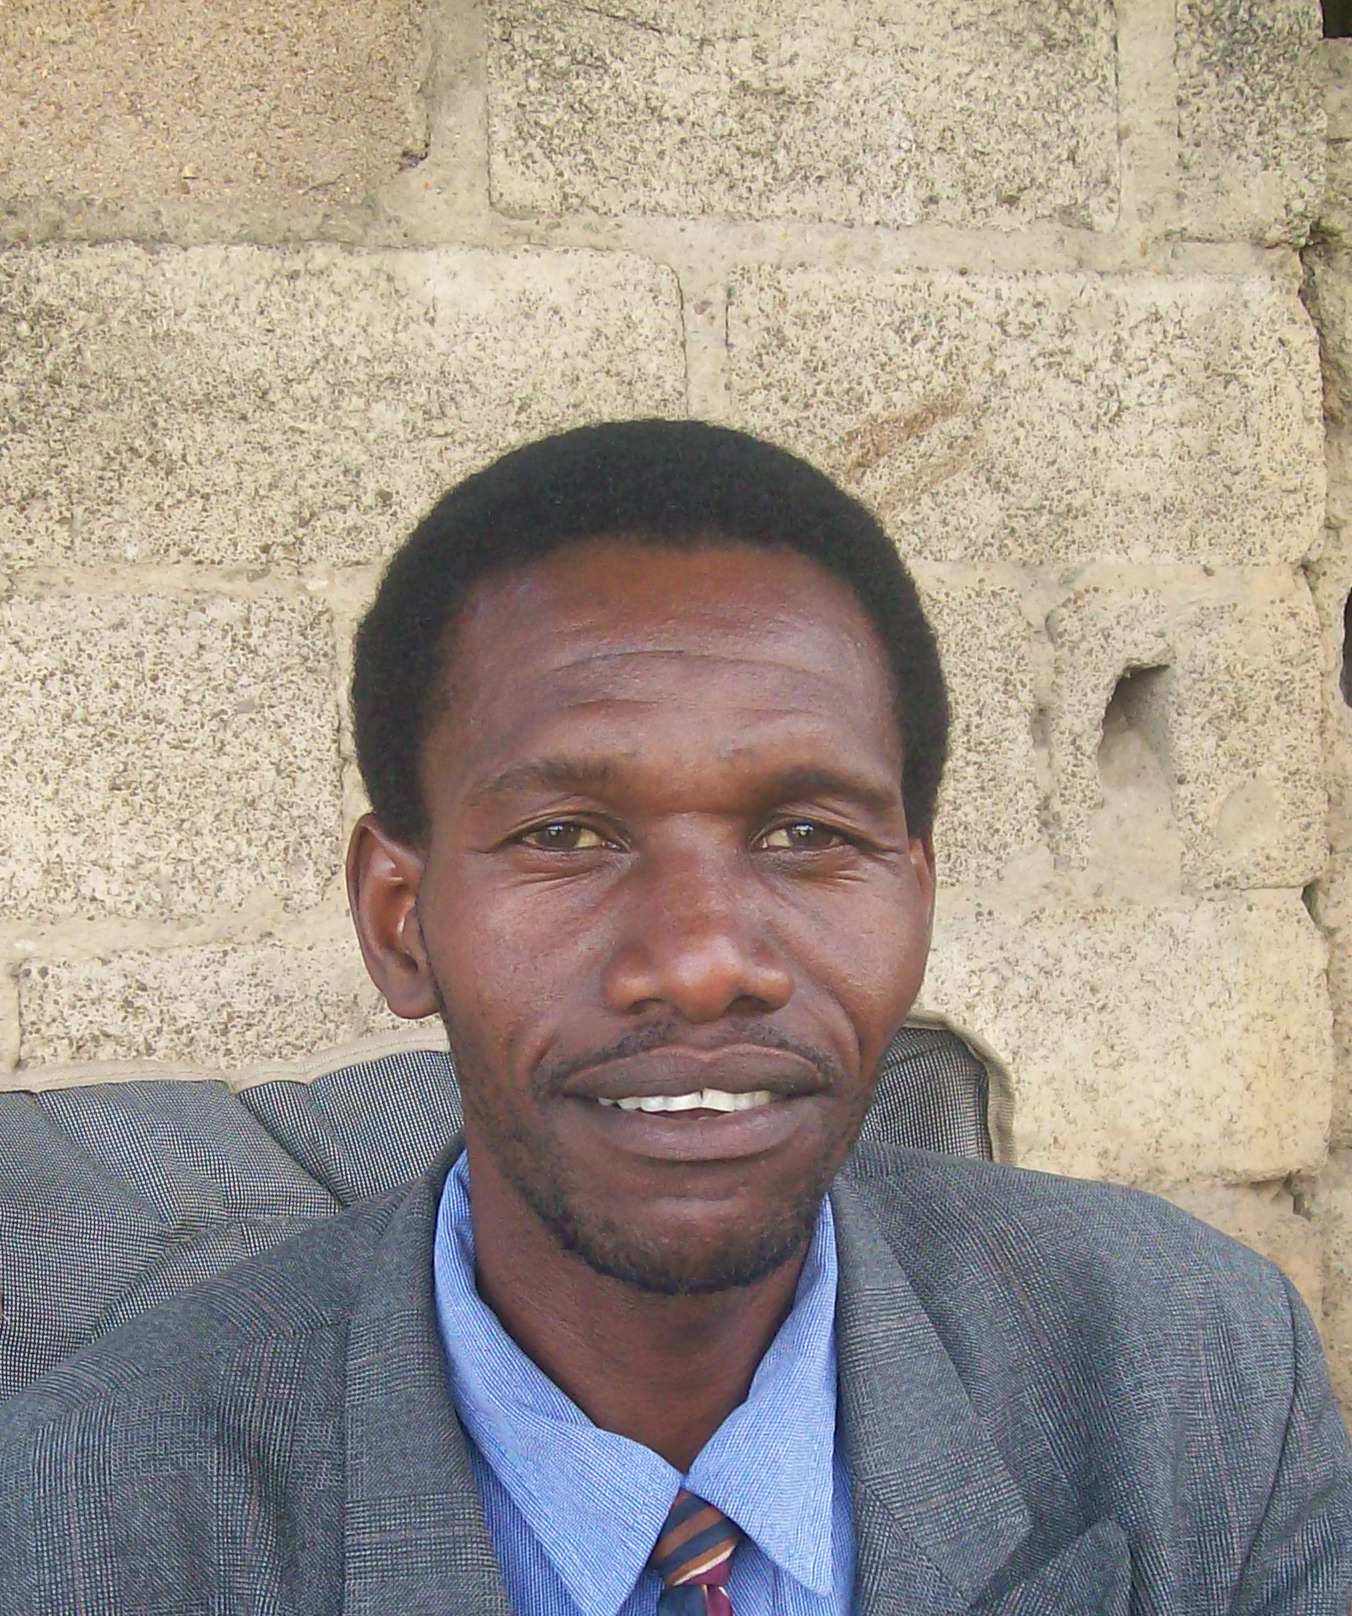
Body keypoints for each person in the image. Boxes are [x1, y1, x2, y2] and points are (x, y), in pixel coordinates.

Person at [0, 420, 1348, 1614]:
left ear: (917, 896)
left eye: (808, 834)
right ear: (401, 922)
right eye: (566, 835)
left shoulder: (1195, 1374)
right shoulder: (85, 1516)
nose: (703, 964)